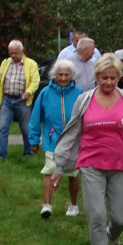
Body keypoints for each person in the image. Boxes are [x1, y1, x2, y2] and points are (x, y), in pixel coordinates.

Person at [50, 54, 123, 245]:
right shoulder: (85, 100)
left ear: (118, 78)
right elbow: (71, 134)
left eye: (113, 78)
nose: (108, 82)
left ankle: (111, 237)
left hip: (120, 165)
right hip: (91, 164)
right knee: (96, 215)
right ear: (96, 77)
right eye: (104, 78)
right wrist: (59, 167)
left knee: (122, 217)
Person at [28, 59, 82, 218]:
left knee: (73, 173)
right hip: (52, 140)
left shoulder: (79, 93)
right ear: (54, 75)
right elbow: (35, 117)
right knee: (50, 170)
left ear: (71, 75)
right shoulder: (45, 92)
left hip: (73, 141)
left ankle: (73, 205)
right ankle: (47, 205)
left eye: (66, 75)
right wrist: (33, 140)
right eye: (60, 75)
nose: (63, 78)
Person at [0, 39, 40, 159]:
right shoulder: (5, 63)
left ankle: (28, 153)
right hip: (7, 100)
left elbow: (35, 81)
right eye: (11, 53)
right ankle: (1, 155)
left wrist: (28, 92)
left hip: (23, 101)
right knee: (3, 128)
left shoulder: (31, 64)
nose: (13, 56)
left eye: (16, 53)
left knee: (26, 129)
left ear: (22, 51)